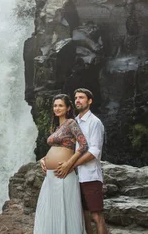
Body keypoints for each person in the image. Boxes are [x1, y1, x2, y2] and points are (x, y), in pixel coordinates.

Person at [55, 88, 107, 234]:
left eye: (82, 97)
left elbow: (94, 152)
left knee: (97, 216)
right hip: (74, 178)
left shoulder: (94, 122)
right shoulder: (73, 122)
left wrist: (71, 165)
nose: (78, 100)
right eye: (76, 97)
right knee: (83, 216)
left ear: (89, 101)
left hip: (90, 176)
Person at [35, 94, 88, 234]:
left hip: (64, 174)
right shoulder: (56, 127)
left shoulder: (71, 123)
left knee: (65, 210)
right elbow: (55, 149)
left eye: (60, 105)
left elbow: (83, 145)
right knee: (50, 210)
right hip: (51, 176)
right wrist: (43, 159)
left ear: (68, 108)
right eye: (55, 106)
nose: (57, 108)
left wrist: (69, 164)